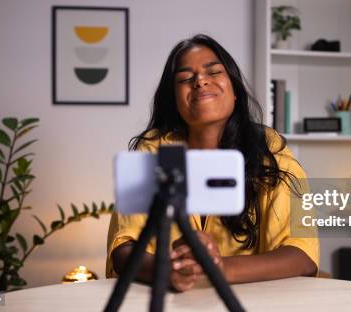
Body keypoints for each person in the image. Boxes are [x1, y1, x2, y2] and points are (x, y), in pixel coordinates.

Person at [106, 34, 318, 292]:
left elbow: (302, 255)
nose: (200, 81)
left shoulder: (271, 151)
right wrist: (167, 271)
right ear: (174, 100)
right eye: (185, 78)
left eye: (214, 72)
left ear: (235, 91)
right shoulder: (153, 151)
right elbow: (123, 249)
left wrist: (218, 267)